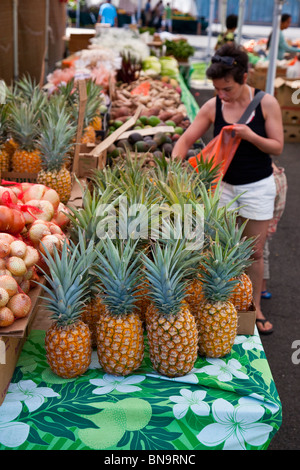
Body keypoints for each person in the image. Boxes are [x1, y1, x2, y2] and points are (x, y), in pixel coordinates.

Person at [172, 44, 284, 335]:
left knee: (254, 253)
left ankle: (254, 307)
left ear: (244, 78)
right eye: (217, 89)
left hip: (258, 186)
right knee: (219, 250)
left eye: (227, 88)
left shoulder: (266, 103)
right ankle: (220, 302)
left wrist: (250, 135)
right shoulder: (213, 107)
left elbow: (278, 146)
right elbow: (184, 141)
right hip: (222, 189)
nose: (222, 94)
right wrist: (174, 166)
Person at [262, 163, 287, 299]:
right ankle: (262, 289)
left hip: (264, 223)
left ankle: (262, 289)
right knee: (262, 254)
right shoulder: (279, 176)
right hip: (266, 223)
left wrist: (270, 226)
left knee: (261, 254)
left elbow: (278, 206)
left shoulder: (272, 178)